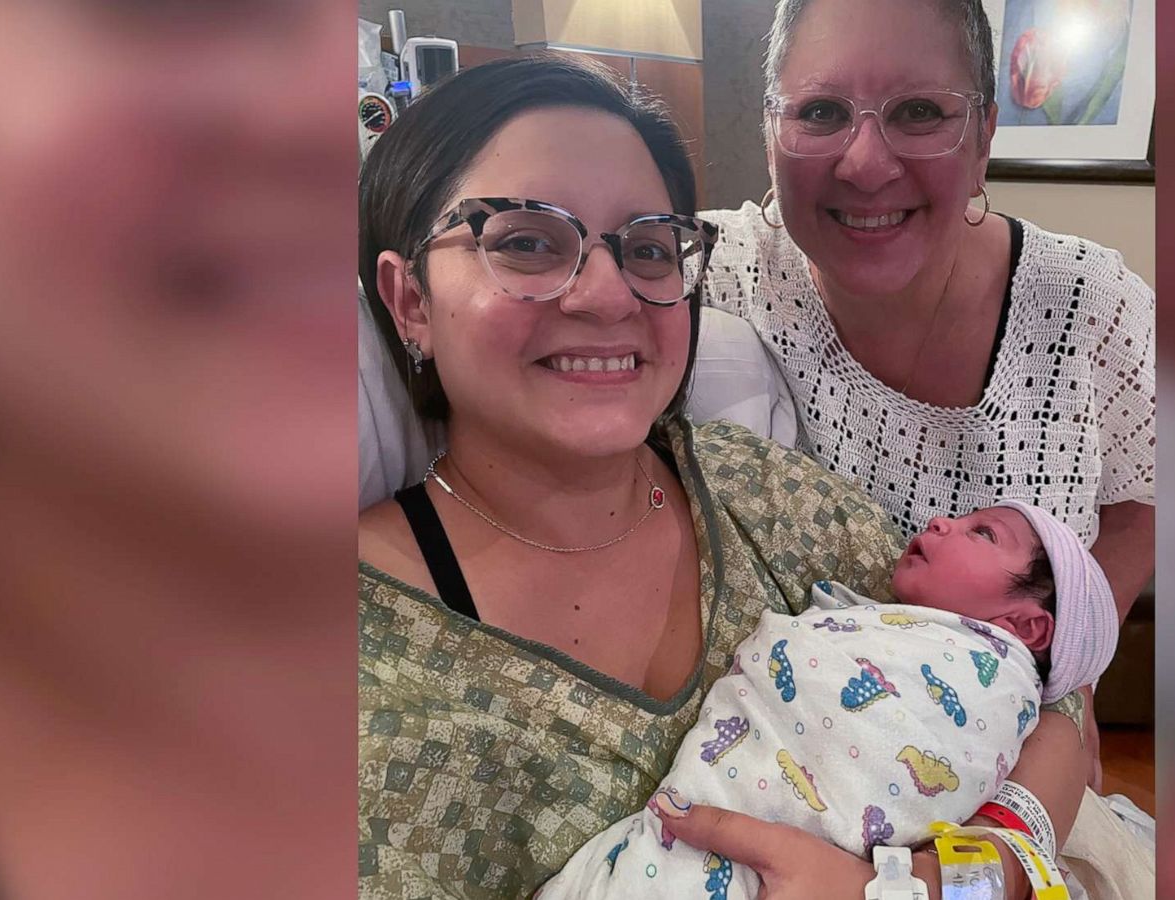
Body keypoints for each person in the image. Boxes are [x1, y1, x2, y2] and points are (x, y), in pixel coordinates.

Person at [356, 56, 1090, 900]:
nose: (607, 294)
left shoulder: (754, 489)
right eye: (525, 240)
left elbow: (1043, 697)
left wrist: (947, 884)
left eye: (646, 247)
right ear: (409, 298)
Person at [697, 0, 1155, 789]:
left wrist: (1056, 698)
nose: (865, 164)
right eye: (820, 111)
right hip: (769, 778)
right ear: (769, 134)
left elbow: (1141, 508)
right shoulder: (703, 278)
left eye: (918, 111)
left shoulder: (1091, 304)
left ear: (984, 140)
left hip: (1006, 776)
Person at [536, 501, 1119, 900]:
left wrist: (907, 887)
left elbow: (1051, 726)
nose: (940, 521)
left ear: (1029, 629)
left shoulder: (996, 684)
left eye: (982, 533)